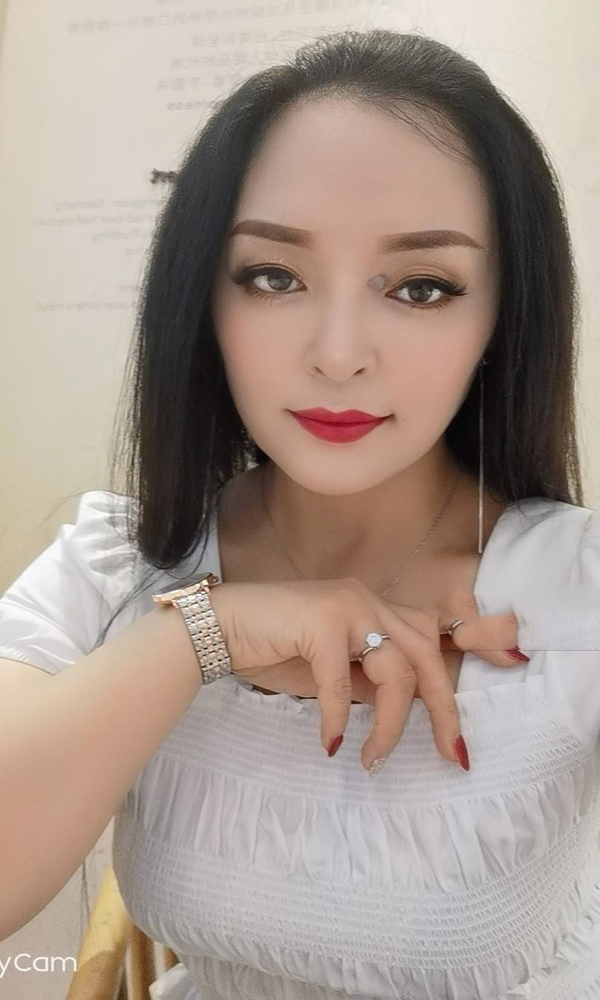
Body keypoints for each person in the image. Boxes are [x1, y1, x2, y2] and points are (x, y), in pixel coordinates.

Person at [1, 26, 599, 1000]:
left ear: (502, 315)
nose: (338, 353)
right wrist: (204, 632)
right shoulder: (118, 563)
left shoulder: (573, 595)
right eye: (274, 276)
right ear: (205, 300)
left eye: (421, 287)